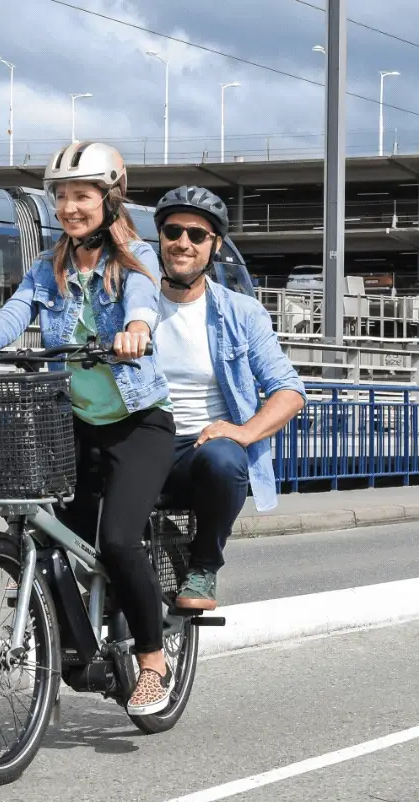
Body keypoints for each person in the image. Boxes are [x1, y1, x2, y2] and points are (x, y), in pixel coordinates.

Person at [0, 142, 177, 716]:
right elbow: (15, 312)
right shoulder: (50, 266)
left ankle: (152, 662)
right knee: (52, 535)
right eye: (62, 196)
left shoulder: (134, 258)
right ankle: (66, 639)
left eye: (82, 196)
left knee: (118, 541)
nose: (69, 207)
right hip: (74, 422)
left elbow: (144, 300)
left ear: (110, 199)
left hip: (138, 425)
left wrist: (137, 329)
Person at [153, 186, 306, 611]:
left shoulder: (240, 312)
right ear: (160, 238)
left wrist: (243, 432)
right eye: (173, 231)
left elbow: (289, 391)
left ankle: (203, 566)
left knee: (224, 459)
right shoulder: (133, 305)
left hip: (200, 449)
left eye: (197, 235)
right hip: (143, 442)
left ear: (215, 246)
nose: (183, 243)